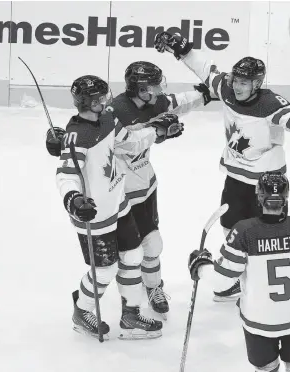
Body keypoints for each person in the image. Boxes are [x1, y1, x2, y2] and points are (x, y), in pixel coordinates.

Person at [154, 32, 290, 301]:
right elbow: (204, 68)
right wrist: (183, 48)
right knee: (230, 224)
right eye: (236, 80)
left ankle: (268, 277)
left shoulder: (270, 103)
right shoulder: (227, 88)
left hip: (267, 183)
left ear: (257, 84)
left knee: (269, 231)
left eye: (244, 83)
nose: (237, 87)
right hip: (235, 175)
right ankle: (233, 277)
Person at [47, 61, 213, 319]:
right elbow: (81, 141)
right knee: (122, 259)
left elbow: (174, 103)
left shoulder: (139, 107)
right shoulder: (115, 111)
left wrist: (203, 95)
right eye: (151, 86)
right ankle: (118, 305)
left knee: (149, 247)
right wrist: (61, 142)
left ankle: (147, 293)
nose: (157, 91)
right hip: (122, 193)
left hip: (141, 187)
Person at [188, 172, 290, 372]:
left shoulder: (244, 231)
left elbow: (221, 282)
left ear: (259, 197)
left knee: (266, 368)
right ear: (286, 197)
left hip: (259, 320)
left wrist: (202, 266)